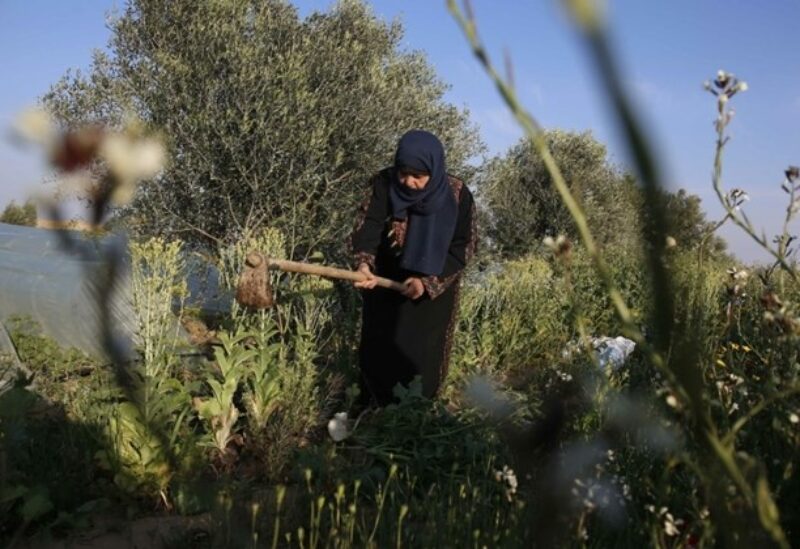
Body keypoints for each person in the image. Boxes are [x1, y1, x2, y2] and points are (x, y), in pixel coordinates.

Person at [350, 130, 477, 406]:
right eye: (404, 173)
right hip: (384, 282)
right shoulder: (383, 184)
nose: (409, 182)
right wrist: (363, 264)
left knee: (422, 355)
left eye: (418, 176)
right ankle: (373, 410)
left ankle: (416, 416)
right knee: (378, 345)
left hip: (432, 293)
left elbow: (464, 246)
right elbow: (368, 225)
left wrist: (427, 282)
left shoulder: (458, 196)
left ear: (434, 170)